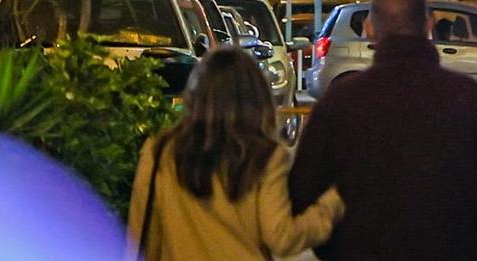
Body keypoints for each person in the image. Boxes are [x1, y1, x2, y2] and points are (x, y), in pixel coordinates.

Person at [289, 0, 477, 261]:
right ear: (427, 25)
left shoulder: (340, 103)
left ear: (369, 29)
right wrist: (475, 243)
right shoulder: (467, 98)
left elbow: (304, 189)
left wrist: (337, 248)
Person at [128, 46, 343, 260]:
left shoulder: (160, 151)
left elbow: (142, 237)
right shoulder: (265, 156)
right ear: (258, 100)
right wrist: (331, 203)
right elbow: (281, 237)